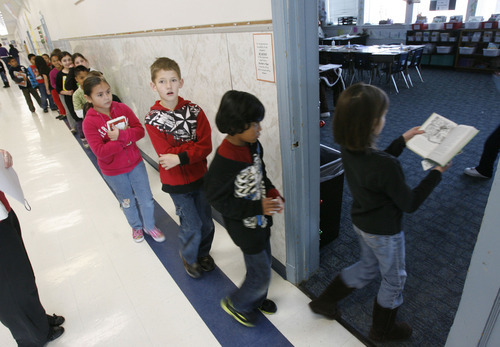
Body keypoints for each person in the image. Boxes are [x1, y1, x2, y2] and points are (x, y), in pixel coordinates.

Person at [308, 83, 449, 342]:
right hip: (385, 232)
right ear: (373, 123)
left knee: (366, 267)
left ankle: (324, 302)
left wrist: (401, 140)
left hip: (362, 222)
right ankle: (382, 330)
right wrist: (436, 175)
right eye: (383, 116)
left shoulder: (348, 148)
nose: (385, 119)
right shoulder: (386, 165)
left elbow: (376, 167)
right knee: (394, 280)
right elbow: (410, 203)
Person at [204, 90, 284, 327]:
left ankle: (256, 299)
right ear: (236, 126)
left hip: (261, 222)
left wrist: (270, 192)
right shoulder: (225, 161)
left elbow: (261, 174)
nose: (259, 129)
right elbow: (217, 200)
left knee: (264, 264)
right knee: (260, 273)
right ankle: (238, 303)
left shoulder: (253, 145)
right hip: (245, 228)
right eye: (254, 124)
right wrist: (257, 206)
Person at [144, 57, 215, 278]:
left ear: (181, 82)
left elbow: (205, 146)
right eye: (163, 81)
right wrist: (188, 149)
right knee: (191, 224)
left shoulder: (195, 111)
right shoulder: (153, 119)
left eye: (173, 80)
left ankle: (203, 253)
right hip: (176, 183)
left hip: (200, 177)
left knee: (207, 223)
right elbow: (165, 156)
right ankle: (189, 256)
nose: (169, 86)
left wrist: (181, 155)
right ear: (153, 86)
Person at [82, 74, 165, 243]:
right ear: (88, 98)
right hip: (113, 172)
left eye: (108, 92)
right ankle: (136, 227)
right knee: (127, 201)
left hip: (136, 164)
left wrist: (122, 135)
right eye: (100, 95)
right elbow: (100, 151)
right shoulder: (89, 122)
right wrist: (125, 140)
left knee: (147, 199)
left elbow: (139, 131)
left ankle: (150, 226)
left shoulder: (122, 108)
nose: (106, 97)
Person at [0, 149, 65, 345]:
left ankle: (37, 321)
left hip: (3, 213)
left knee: (22, 276)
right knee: (8, 287)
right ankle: (30, 337)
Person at [56, 51, 78, 133]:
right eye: (64, 60)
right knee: (69, 111)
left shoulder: (75, 71)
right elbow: (58, 89)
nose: (68, 62)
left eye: (69, 59)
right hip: (65, 95)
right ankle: (73, 126)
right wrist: (66, 93)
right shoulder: (59, 74)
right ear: (60, 62)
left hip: (76, 94)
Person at [72, 65, 90, 148]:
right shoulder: (76, 95)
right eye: (82, 78)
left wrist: (85, 107)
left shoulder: (94, 89)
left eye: (87, 77)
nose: (85, 80)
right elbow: (79, 113)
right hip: (88, 121)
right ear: (76, 79)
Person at [49, 53, 66, 120]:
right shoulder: (52, 72)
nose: (56, 62)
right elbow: (52, 83)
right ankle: (62, 112)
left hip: (67, 89)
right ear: (51, 62)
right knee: (58, 101)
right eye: (54, 61)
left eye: (57, 60)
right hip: (58, 90)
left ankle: (65, 113)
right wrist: (59, 88)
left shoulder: (65, 69)